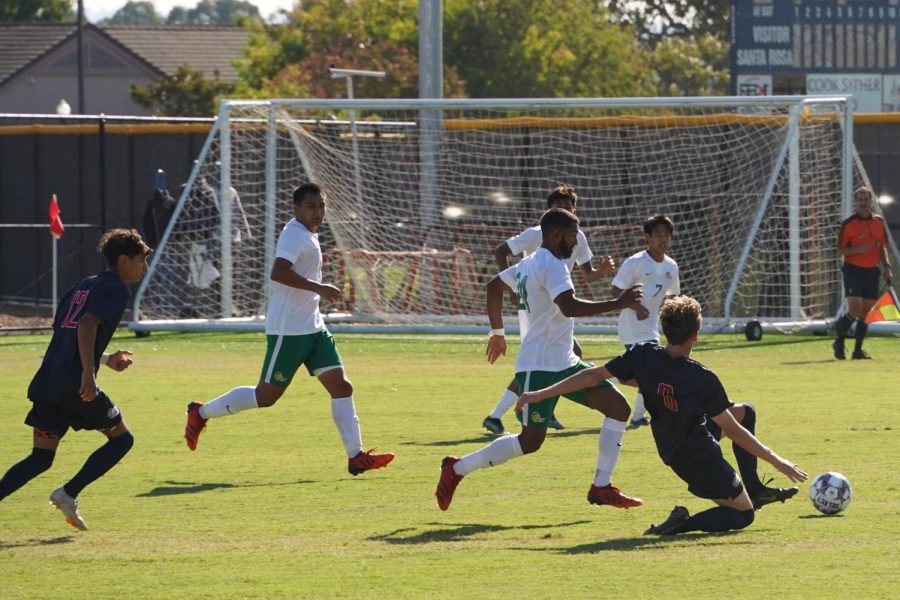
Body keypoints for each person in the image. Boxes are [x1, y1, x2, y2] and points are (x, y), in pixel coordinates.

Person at [517, 295, 807, 535]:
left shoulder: (644, 355)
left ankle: (754, 488)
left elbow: (592, 375)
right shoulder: (702, 378)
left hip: (675, 440)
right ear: (696, 334)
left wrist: (541, 394)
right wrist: (778, 461)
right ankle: (680, 524)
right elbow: (733, 431)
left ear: (665, 330)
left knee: (747, 411)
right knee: (743, 516)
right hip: (694, 454)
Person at [435, 208, 644, 511]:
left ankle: (601, 486)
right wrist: (618, 302)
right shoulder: (551, 264)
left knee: (618, 407)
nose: (576, 242)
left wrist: (497, 331)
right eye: (573, 235)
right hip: (539, 366)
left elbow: (494, 285)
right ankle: (455, 469)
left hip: (564, 362)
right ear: (556, 235)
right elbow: (569, 306)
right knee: (530, 442)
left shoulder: (530, 263)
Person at [183, 182, 395, 476]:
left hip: (313, 328)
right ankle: (200, 412)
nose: (318, 212)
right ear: (296, 208)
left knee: (342, 386)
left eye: (321, 206)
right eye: (311, 206)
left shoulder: (309, 234)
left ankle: (355, 456)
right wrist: (319, 288)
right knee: (266, 397)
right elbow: (279, 272)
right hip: (289, 331)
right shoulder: (294, 234)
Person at [0, 229, 151, 530]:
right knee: (122, 440)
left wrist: (104, 360)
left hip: (48, 382)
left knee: (40, 458)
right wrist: (88, 374)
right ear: (123, 260)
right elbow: (86, 324)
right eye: (141, 261)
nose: (144, 268)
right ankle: (68, 493)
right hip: (74, 385)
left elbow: (67, 331)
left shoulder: (83, 285)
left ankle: (66, 495)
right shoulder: (116, 289)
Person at [482, 185, 615, 434]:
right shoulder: (537, 235)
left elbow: (587, 275)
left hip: (559, 299)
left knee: (563, 353)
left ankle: (538, 403)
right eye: (558, 208)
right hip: (540, 302)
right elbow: (502, 252)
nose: (564, 211)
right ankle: (505, 411)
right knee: (544, 356)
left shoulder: (578, 236)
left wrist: (602, 273)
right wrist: (514, 290)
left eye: (568, 207)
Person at [611, 214, 680, 429]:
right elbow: (615, 290)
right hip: (631, 326)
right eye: (658, 234)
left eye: (666, 235)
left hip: (652, 327)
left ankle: (638, 416)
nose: (663, 239)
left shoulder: (671, 266)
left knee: (650, 373)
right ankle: (607, 378)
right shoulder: (635, 262)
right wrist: (636, 306)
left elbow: (672, 296)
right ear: (647, 237)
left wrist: (674, 318)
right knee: (649, 373)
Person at [833, 186, 893, 360]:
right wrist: (858, 248)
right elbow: (840, 250)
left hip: (871, 271)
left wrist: (887, 267)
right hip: (853, 270)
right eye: (860, 200)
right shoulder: (849, 224)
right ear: (856, 202)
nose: (863, 203)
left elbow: (882, 247)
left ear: (871, 201)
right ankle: (840, 342)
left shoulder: (878, 222)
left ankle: (857, 351)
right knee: (855, 308)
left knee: (866, 312)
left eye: (866, 200)